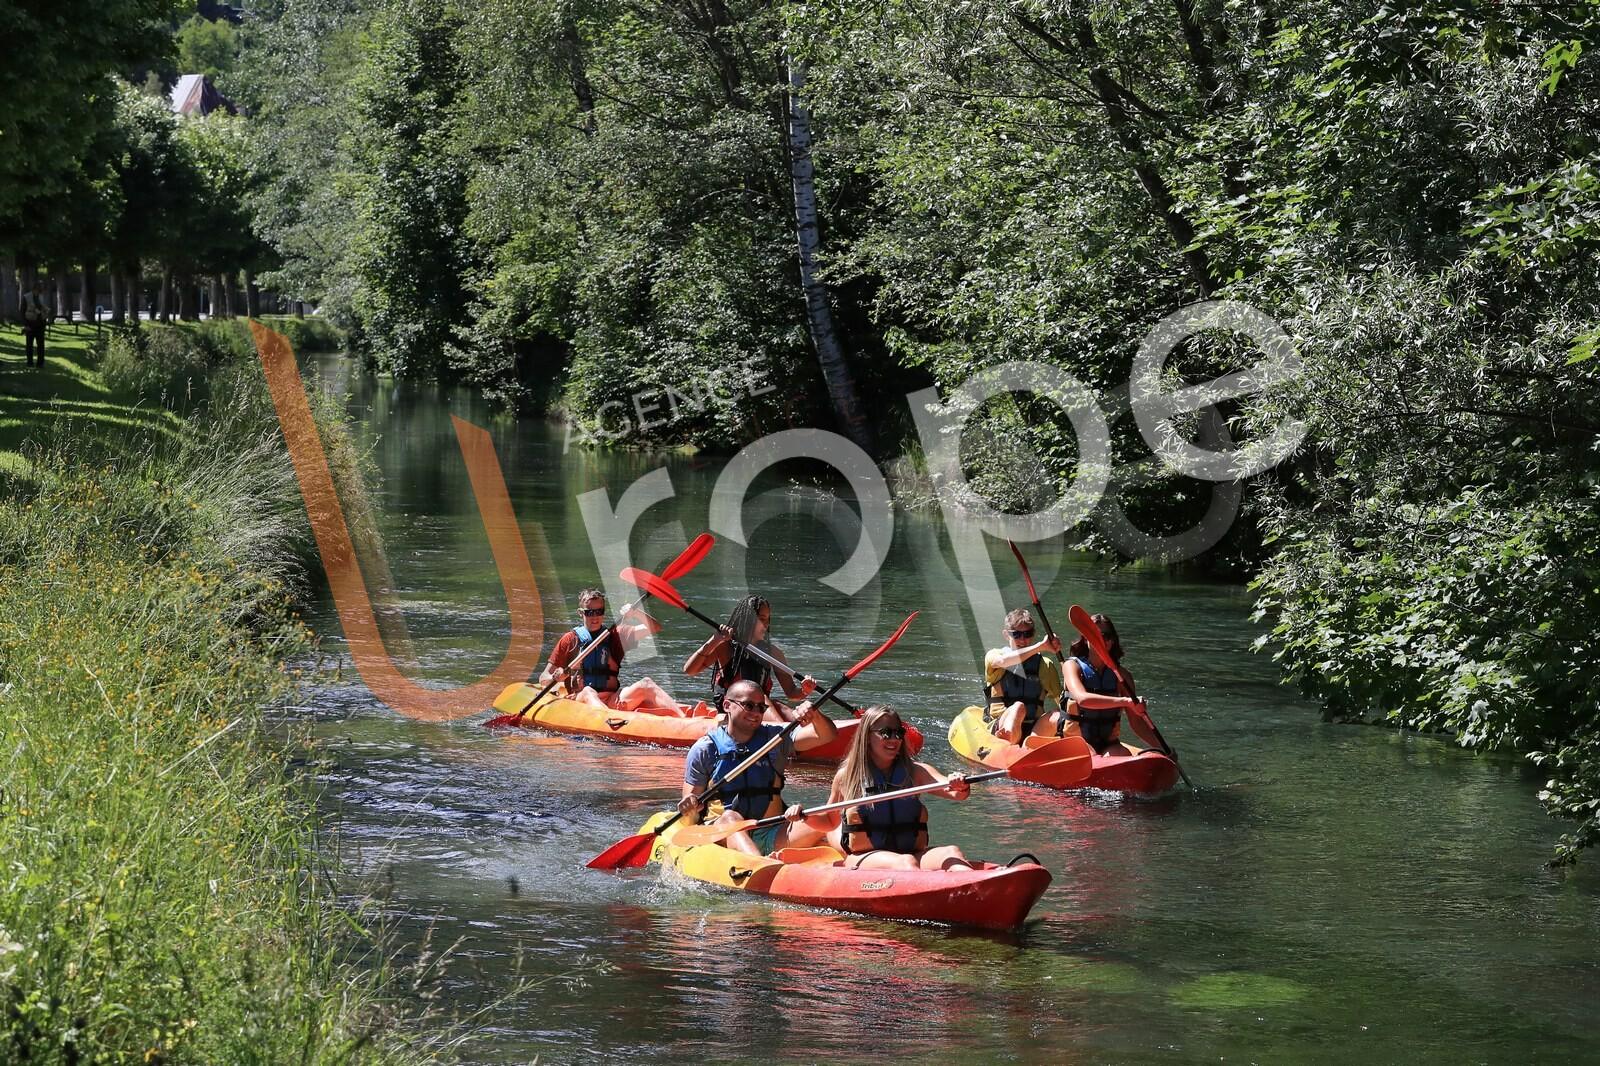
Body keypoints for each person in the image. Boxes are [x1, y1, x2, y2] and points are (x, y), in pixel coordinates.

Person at [786, 705, 973, 871]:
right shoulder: (847, 777)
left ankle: (974, 897)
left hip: (911, 854)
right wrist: (804, 816)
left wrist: (958, 783)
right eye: (886, 733)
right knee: (905, 863)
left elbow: (956, 793)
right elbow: (829, 821)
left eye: (898, 733)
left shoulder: (916, 772)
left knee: (952, 852)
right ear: (867, 737)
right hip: (865, 858)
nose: (894, 739)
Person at [678, 678, 838, 856]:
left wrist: (815, 716)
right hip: (722, 834)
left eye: (761, 707)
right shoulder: (705, 749)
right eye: (748, 705)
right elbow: (690, 809)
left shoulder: (776, 738)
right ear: (727, 705)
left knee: (826, 821)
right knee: (731, 818)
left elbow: (826, 735)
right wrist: (691, 805)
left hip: (771, 832)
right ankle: (762, 867)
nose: (756, 712)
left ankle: (856, 863)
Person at [539, 587, 679, 713]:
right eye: (590, 612)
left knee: (647, 683)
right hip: (580, 701)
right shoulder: (570, 640)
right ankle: (608, 720)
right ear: (580, 613)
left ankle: (682, 717)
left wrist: (636, 613)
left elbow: (655, 627)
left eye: (599, 611)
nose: (595, 617)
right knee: (588, 691)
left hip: (612, 698)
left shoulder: (616, 635)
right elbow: (543, 678)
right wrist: (555, 677)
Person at [1047, 613, 1161, 756]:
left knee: (1120, 754)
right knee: (1090, 755)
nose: (1102, 640)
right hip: (1077, 741)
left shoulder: (1123, 676)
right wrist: (1125, 701)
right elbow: (1082, 699)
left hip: (1108, 743)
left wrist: (1163, 748)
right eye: (1097, 635)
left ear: (1112, 640)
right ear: (1086, 638)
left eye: (1107, 636)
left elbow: (1137, 723)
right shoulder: (1072, 666)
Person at [683, 594, 816, 713]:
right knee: (761, 699)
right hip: (734, 708)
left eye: (768, 619)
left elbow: (791, 693)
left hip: (761, 708)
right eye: (762, 619)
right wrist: (715, 640)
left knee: (779, 707)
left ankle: (804, 729)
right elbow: (690, 670)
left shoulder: (773, 653)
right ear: (747, 619)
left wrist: (805, 690)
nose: (766, 625)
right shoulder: (724, 646)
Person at [982, 608, 1064, 744]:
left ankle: (1031, 745)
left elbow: (1062, 702)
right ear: (1006, 635)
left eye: (1027, 634)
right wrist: (1040, 647)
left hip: (1035, 728)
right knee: (1019, 707)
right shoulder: (994, 656)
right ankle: (1009, 741)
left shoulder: (1045, 665)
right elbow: (1003, 661)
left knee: (1057, 715)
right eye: (1016, 634)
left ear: (1033, 634)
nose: (1023, 639)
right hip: (1001, 723)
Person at [20, 281, 50, 367]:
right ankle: (30, 362)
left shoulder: (40, 297)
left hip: (40, 324)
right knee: (29, 345)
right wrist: (25, 325)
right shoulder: (26, 297)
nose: (40, 292)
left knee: (41, 345)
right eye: (39, 290)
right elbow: (22, 312)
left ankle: (40, 363)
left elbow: (41, 308)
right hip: (30, 324)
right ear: (34, 289)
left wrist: (45, 312)